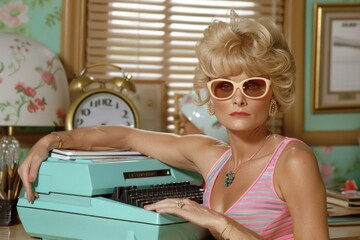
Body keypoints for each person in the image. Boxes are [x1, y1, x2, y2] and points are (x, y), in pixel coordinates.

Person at [18, 10, 329, 240]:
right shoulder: (210, 155)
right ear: (211, 96)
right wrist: (51, 141)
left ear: (273, 93)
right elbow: (125, 136)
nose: (238, 99)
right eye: (224, 86)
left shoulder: (293, 160)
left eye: (253, 86)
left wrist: (221, 223)